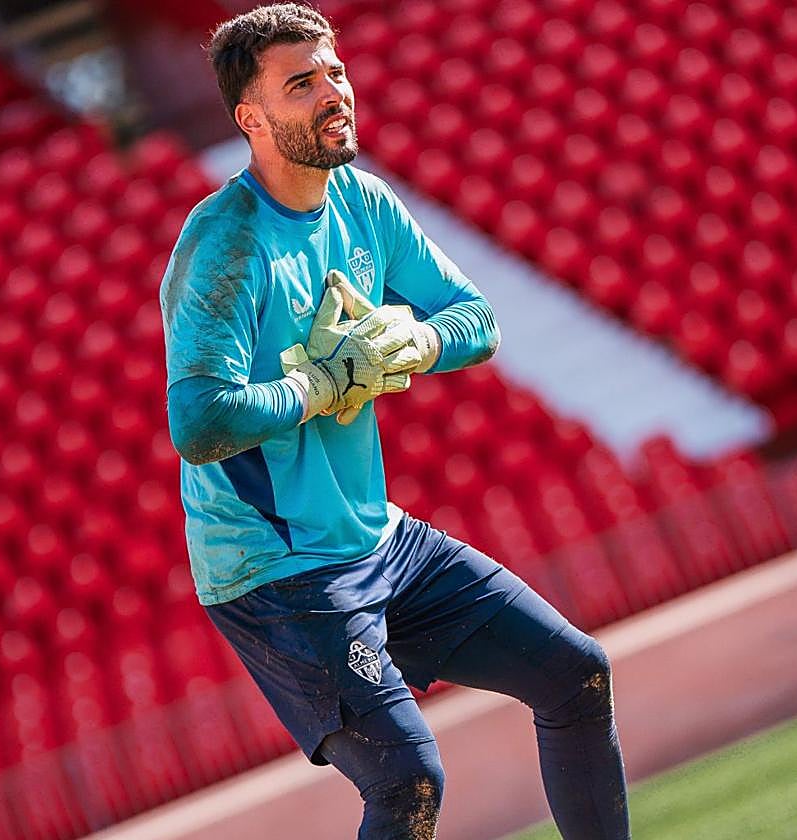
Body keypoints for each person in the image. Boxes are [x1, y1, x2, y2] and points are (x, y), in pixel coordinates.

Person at [159, 4, 631, 837]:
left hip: (378, 537)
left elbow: (475, 321)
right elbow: (198, 421)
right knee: (406, 780)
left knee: (575, 674)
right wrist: (318, 386)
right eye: (302, 83)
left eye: (334, 71)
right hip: (278, 568)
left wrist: (410, 340)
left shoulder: (364, 202)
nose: (333, 92)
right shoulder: (225, 244)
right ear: (252, 119)